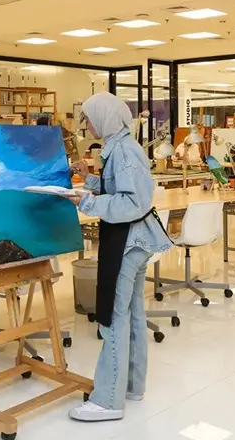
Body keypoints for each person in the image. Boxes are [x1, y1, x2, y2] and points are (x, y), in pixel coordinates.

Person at [68, 92, 171, 422]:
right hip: (135, 241)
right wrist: (90, 180)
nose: (87, 125)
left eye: (88, 119)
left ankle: (107, 401)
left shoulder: (124, 151)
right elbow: (119, 188)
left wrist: (86, 201)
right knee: (132, 313)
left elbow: (132, 203)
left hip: (128, 242)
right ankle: (131, 385)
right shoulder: (121, 146)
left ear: (105, 117)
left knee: (113, 316)